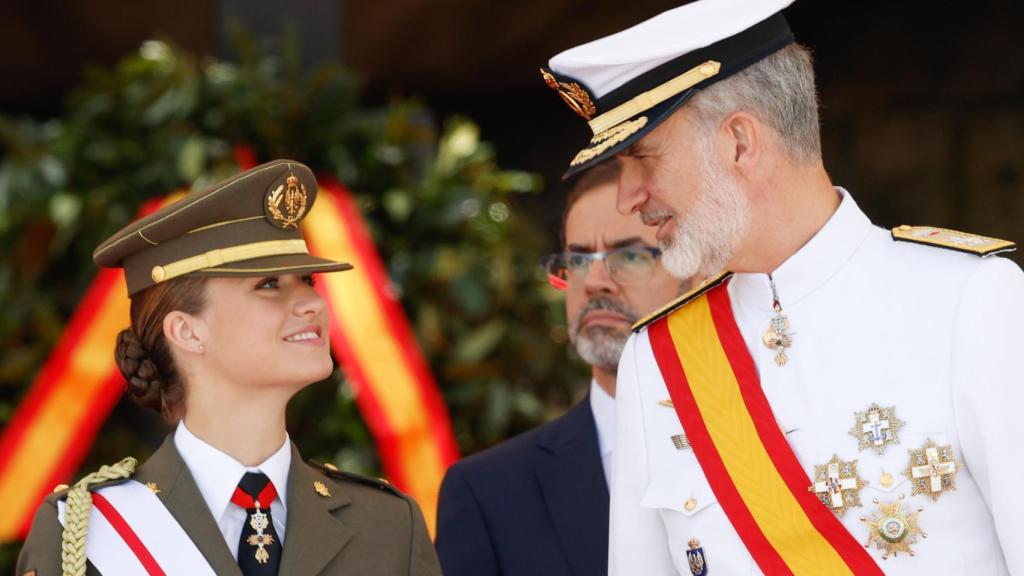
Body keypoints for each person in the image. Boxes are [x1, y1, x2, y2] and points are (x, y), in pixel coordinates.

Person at [540, 1, 1023, 574]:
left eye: (643, 159)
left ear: (740, 143)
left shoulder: (971, 300)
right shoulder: (657, 357)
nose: (628, 198)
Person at [17, 160, 442, 576]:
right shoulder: (85, 534)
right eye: (269, 284)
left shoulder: (389, 526)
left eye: (307, 281)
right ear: (187, 331)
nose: (313, 303)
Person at [434, 162, 690, 576]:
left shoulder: (771, 434)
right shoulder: (489, 493)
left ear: (697, 272)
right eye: (578, 259)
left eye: (628, 255)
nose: (594, 281)